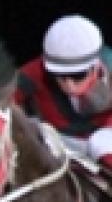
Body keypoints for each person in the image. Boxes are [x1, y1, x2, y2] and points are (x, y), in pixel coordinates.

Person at [12, 14, 112, 168]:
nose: (69, 86)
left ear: (96, 65)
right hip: (59, 139)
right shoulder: (33, 73)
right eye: (60, 76)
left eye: (78, 75)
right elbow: (5, 101)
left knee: (100, 143)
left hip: (104, 136)